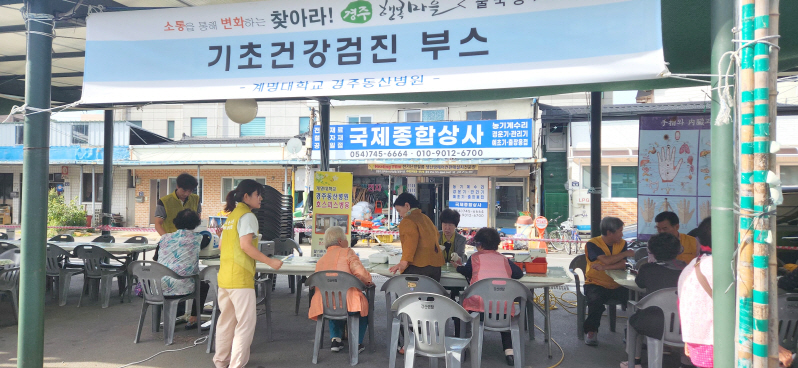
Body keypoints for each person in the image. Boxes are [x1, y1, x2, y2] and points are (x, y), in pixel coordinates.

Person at [213, 179, 284, 368]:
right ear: (247, 196)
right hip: (240, 278)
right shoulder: (247, 216)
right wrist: (270, 261)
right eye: (257, 194)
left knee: (226, 322)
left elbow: (221, 246)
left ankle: (221, 362)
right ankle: (237, 365)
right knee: (245, 324)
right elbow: (245, 246)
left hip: (225, 278)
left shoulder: (232, 217)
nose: (260, 198)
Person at [456, 227, 524, 366]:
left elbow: (466, 271)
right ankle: (509, 352)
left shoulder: (474, 258)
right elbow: (518, 274)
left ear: (479, 244)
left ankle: (466, 345)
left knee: (464, 309)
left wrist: (457, 266)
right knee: (501, 308)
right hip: (503, 313)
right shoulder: (504, 259)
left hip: (478, 311)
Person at [621, 232, 685, 368]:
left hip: (653, 325)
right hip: (683, 325)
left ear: (652, 252)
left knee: (635, 316)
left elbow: (640, 284)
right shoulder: (685, 268)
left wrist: (651, 261)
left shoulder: (647, 269)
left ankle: (635, 361)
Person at [308, 226, 373, 353]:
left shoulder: (321, 261)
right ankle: (357, 343)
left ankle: (335, 340)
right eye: (345, 238)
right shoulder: (348, 252)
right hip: (349, 305)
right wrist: (369, 281)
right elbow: (361, 274)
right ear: (340, 241)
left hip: (324, 305)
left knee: (333, 299)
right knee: (362, 306)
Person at [157, 209, 211, 330]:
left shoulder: (164, 238)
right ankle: (193, 318)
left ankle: (168, 318)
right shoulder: (199, 238)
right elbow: (208, 238)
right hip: (182, 286)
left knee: (171, 278)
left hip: (158, 286)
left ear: (176, 222)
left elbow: (156, 257)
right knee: (203, 285)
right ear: (196, 224)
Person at [583, 216, 633, 346]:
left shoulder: (622, 243)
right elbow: (606, 259)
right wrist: (625, 253)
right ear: (610, 233)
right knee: (595, 302)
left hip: (618, 283)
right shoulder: (592, 244)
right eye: (620, 231)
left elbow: (622, 265)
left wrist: (605, 267)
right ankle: (591, 331)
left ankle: (631, 333)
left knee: (635, 300)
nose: (622, 234)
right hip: (595, 282)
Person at [388, 192, 445, 281]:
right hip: (436, 267)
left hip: (418, 267)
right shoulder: (426, 218)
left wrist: (403, 262)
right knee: (432, 294)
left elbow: (410, 242)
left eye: (399, 210)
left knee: (411, 294)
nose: (400, 215)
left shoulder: (408, 221)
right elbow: (436, 235)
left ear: (407, 206)